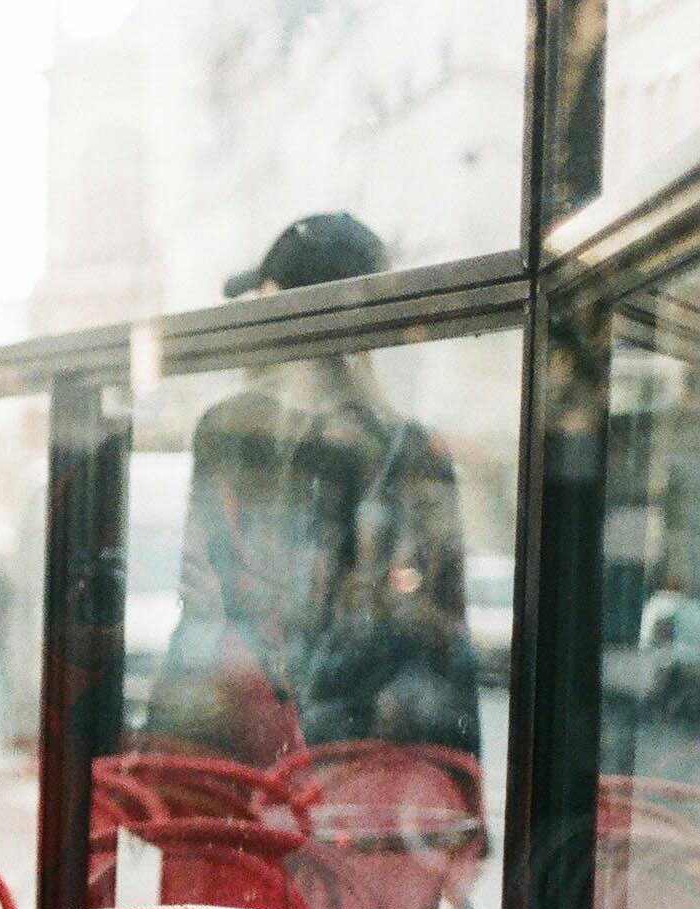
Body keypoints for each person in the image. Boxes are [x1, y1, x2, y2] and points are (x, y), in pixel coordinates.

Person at [145, 212, 480, 766]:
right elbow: (444, 639)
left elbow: (203, 598)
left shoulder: (227, 430)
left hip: (236, 746)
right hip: (358, 753)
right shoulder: (413, 449)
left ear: (279, 304)